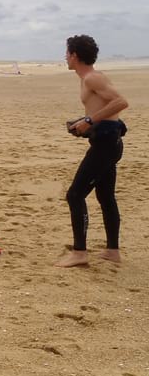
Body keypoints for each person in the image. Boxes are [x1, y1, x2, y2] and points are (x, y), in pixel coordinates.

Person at [56, 35, 129, 267]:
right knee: (105, 196)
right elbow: (105, 112)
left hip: (107, 145)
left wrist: (89, 119)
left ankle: (80, 253)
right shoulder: (88, 78)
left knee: (75, 195)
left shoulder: (92, 78)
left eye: (67, 53)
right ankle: (112, 251)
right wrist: (82, 124)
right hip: (106, 141)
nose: (65, 57)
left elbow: (120, 102)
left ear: (75, 55)